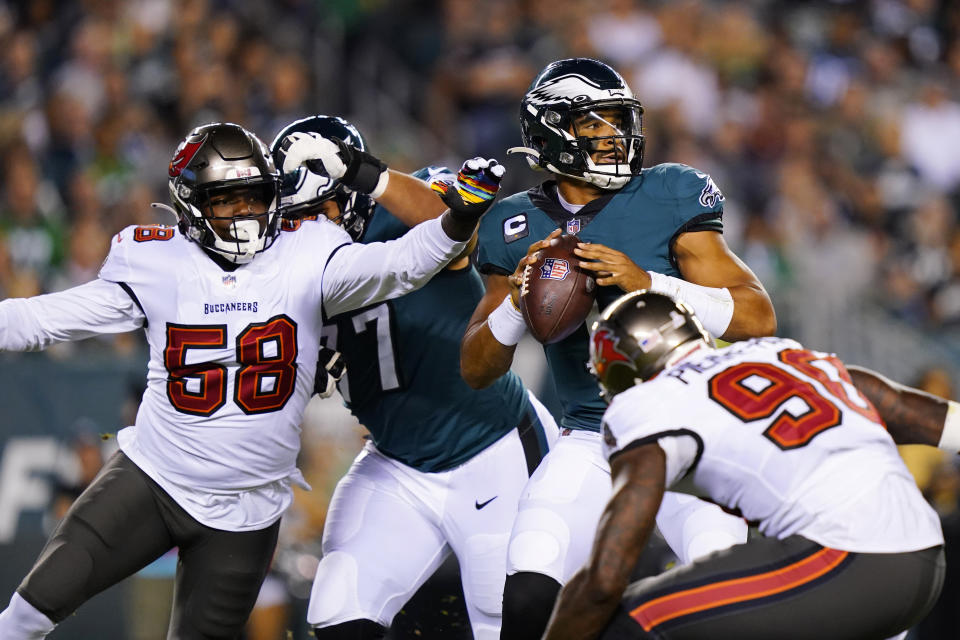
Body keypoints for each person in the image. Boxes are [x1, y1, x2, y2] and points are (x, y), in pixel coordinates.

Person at [0, 121, 501, 640]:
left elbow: (404, 263)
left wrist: (458, 218)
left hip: (245, 512)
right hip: (151, 480)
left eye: (253, 196)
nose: (243, 212)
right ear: (192, 205)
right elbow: (42, 319)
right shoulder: (155, 260)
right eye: (225, 199)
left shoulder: (306, 249)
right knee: (26, 615)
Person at [460, 57, 777, 638]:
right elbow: (476, 368)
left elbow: (757, 316)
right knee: (529, 592)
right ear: (553, 131)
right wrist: (515, 305)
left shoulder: (668, 193)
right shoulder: (513, 223)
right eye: (593, 123)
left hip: (692, 433)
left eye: (617, 119)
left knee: (724, 608)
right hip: (592, 435)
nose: (613, 136)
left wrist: (650, 284)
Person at [268, 115, 558, 640]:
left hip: (493, 450)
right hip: (397, 463)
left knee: (510, 623)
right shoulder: (282, 264)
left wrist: (369, 174)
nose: (305, 228)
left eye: (319, 210)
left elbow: (459, 225)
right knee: (338, 611)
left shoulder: (399, 205)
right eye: (293, 216)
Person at [542, 290, 946, 640]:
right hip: (922, 551)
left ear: (621, 371)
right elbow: (895, 403)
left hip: (846, 555)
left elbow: (604, 580)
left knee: (629, 623)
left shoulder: (646, 403)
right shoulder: (776, 351)